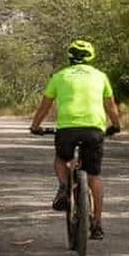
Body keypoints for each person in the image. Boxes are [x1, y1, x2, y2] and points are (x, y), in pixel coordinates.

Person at [29, 39, 121, 240]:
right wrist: (115, 125)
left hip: (67, 130)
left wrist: (35, 126)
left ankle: (63, 186)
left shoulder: (59, 76)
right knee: (94, 176)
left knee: (62, 158)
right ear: (91, 57)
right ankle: (97, 224)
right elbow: (111, 106)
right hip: (94, 130)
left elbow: (44, 106)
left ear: (70, 57)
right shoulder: (100, 76)